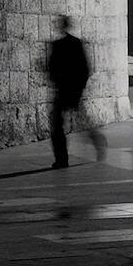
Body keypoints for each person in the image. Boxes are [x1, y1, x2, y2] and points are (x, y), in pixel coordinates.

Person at [47, 15, 106, 168]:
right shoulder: (72, 44)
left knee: (60, 124)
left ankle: (62, 159)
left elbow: (54, 67)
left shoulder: (62, 45)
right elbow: (84, 68)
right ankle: (95, 141)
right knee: (76, 122)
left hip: (67, 90)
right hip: (70, 90)